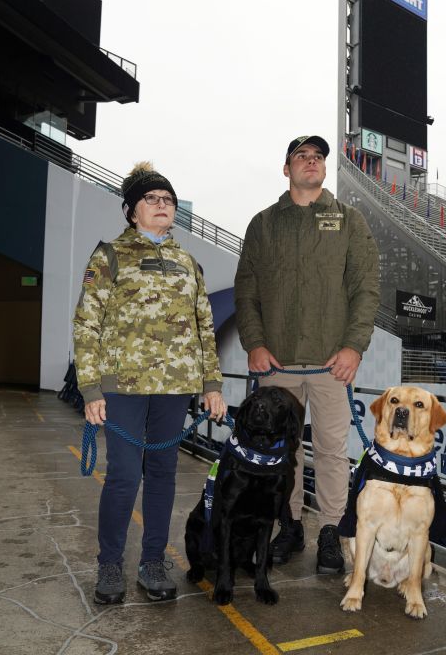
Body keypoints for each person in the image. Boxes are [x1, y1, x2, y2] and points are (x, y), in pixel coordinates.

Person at [73, 161, 228, 604]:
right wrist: (90, 388)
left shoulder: (187, 262)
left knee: (162, 475)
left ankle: (153, 561)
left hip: (174, 387)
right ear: (131, 210)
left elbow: (204, 326)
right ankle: (109, 565)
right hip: (122, 385)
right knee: (123, 475)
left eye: (169, 200)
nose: (162, 205)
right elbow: (87, 323)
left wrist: (211, 384)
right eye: (152, 199)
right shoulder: (109, 256)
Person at [234, 135, 380, 575]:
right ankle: (290, 524)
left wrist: (354, 347)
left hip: (330, 364)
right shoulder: (263, 224)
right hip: (276, 363)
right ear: (287, 169)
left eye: (318, 157)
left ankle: (331, 531)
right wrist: (255, 343)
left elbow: (365, 289)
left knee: (334, 451)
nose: (311, 162)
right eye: (302, 156)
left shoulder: (351, 221)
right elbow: (247, 290)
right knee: (281, 450)